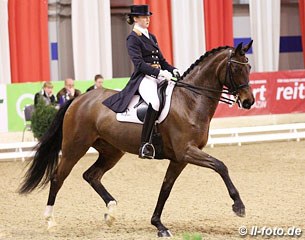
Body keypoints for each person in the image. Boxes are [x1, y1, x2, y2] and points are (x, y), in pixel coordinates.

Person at [103, 5, 180, 159]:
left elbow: (162, 61)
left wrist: (173, 70)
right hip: (144, 78)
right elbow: (139, 64)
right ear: (136, 19)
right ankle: (145, 144)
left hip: (159, 76)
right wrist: (159, 72)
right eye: (144, 17)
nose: (147, 19)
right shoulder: (132, 38)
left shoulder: (151, 37)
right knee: (155, 102)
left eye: (148, 17)